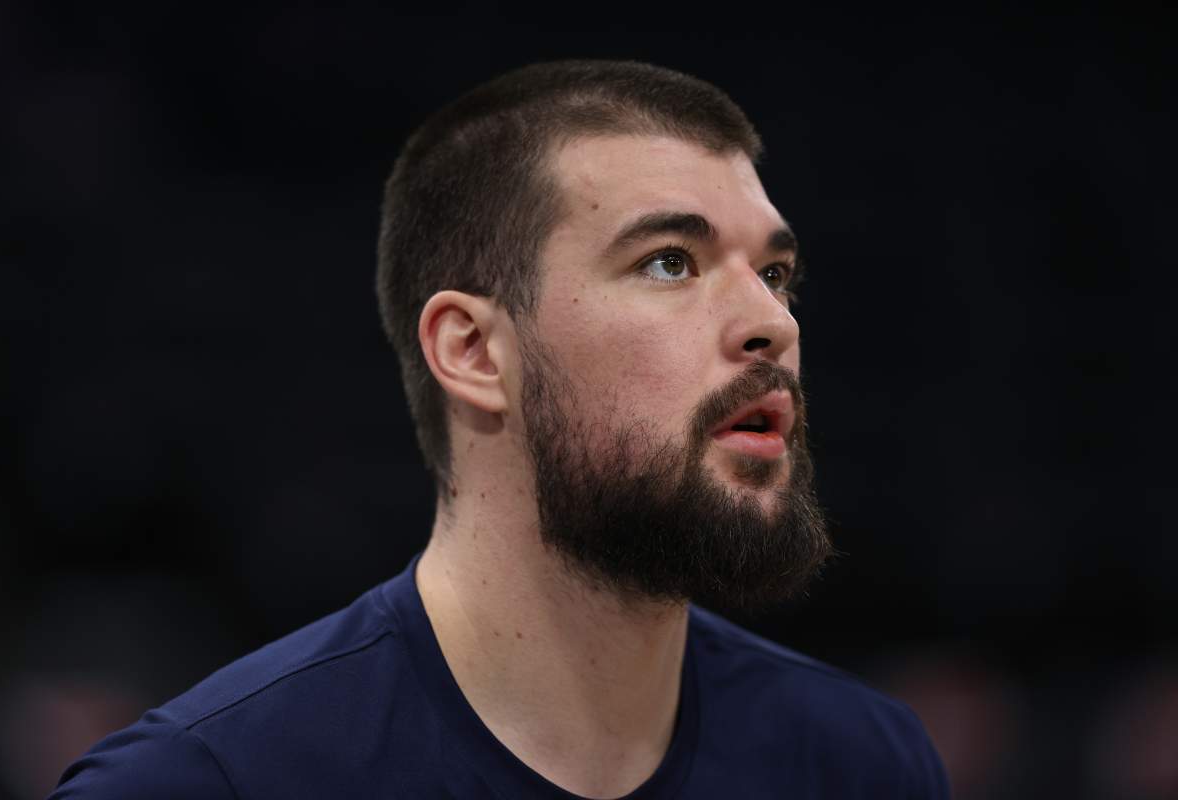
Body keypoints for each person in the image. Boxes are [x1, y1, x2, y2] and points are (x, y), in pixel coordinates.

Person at [50, 60, 950, 799]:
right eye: (670, 261)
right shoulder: (207, 782)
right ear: (475, 352)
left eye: (776, 274)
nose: (773, 323)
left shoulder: (861, 763)